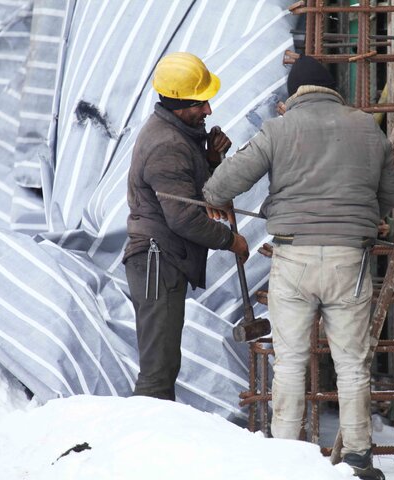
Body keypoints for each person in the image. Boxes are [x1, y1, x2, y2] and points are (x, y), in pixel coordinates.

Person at [203, 55, 394, 480]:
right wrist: (366, 217)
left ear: (293, 94)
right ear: (331, 89)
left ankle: (285, 459)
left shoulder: (278, 129)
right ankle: (360, 460)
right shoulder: (367, 127)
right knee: (351, 364)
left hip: (294, 257)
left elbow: (222, 187)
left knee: (290, 362)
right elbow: (391, 194)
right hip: (351, 257)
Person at [124, 52, 249, 401]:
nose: (208, 110)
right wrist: (231, 241)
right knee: (157, 373)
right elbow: (183, 218)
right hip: (156, 261)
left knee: (164, 365)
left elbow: (189, 196)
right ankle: (144, 447)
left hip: (162, 260)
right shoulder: (167, 145)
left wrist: (209, 161)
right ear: (179, 104)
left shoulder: (177, 136)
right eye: (200, 103)